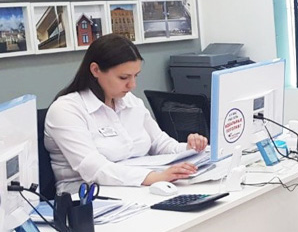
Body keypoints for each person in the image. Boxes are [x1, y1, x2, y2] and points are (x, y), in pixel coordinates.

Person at [44, 33, 208, 194]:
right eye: (124, 77)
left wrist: (190, 148)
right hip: (89, 195)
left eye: (135, 76)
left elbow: (161, 144)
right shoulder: (66, 110)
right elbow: (94, 168)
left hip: (139, 188)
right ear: (95, 70)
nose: (132, 85)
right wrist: (152, 177)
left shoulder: (131, 102)